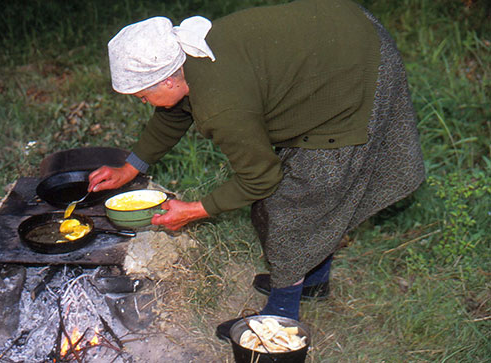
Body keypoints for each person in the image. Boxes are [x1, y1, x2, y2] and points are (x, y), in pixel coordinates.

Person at [88, 0, 425, 341]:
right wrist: (131, 168)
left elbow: (261, 178)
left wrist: (193, 211)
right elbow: (174, 113)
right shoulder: (191, 60)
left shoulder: (222, 105)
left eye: (142, 95)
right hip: (340, 35)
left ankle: (280, 317)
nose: (142, 102)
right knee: (303, 198)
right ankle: (311, 278)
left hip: (359, 70)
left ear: (168, 80)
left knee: (293, 204)